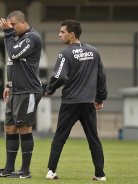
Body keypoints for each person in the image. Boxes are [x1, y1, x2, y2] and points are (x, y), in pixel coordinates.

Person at [44, 19, 107, 181]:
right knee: (93, 138)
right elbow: (101, 77)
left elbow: (59, 75)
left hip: (70, 103)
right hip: (88, 103)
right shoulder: (94, 51)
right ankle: (100, 174)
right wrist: (100, 98)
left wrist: (50, 89)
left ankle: (51, 171)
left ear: (72, 34)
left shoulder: (64, 53)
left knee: (60, 137)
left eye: (62, 32)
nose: (59, 35)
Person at [0, 10, 43, 179]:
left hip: (29, 90)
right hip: (15, 90)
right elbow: (12, 62)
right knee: (10, 128)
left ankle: (25, 171)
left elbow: (13, 54)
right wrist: (8, 83)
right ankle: (9, 169)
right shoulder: (16, 38)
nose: (10, 28)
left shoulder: (32, 37)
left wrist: (7, 33)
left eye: (13, 25)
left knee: (24, 127)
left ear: (22, 22)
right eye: (8, 26)